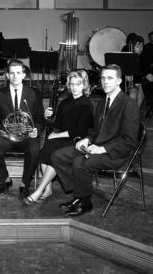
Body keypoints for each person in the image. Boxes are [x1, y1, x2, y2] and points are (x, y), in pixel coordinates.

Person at [49, 64, 140, 217]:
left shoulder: (128, 104)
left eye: (110, 78)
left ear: (119, 81)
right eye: (103, 78)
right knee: (57, 156)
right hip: (97, 145)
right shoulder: (103, 102)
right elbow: (95, 131)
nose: (105, 81)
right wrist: (87, 139)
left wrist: (101, 149)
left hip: (116, 153)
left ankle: (84, 202)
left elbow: (129, 140)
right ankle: (80, 193)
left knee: (80, 163)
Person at [23, 70, 94, 205]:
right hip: (64, 137)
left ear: (84, 85)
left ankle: (39, 190)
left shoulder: (86, 104)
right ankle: (48, 188)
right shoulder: (65, 102)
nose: (74, 87)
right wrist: (47, 116)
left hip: (79, 140)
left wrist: (56, 135)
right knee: (45, 150)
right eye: (71, 84)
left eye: (78, 84)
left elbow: (78, 131)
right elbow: (58, 124)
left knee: (54, 151)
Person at [0, 59, 45, 197]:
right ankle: (5, 179)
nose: (15, 76)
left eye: (18, 73)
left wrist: (37, 130)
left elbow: (40, 118)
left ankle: (25, 183)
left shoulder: (34, 93)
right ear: (7, 76)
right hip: (6, 135)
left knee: (35, 150)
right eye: (12, 73)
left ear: (24, 75)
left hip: (27, 135)